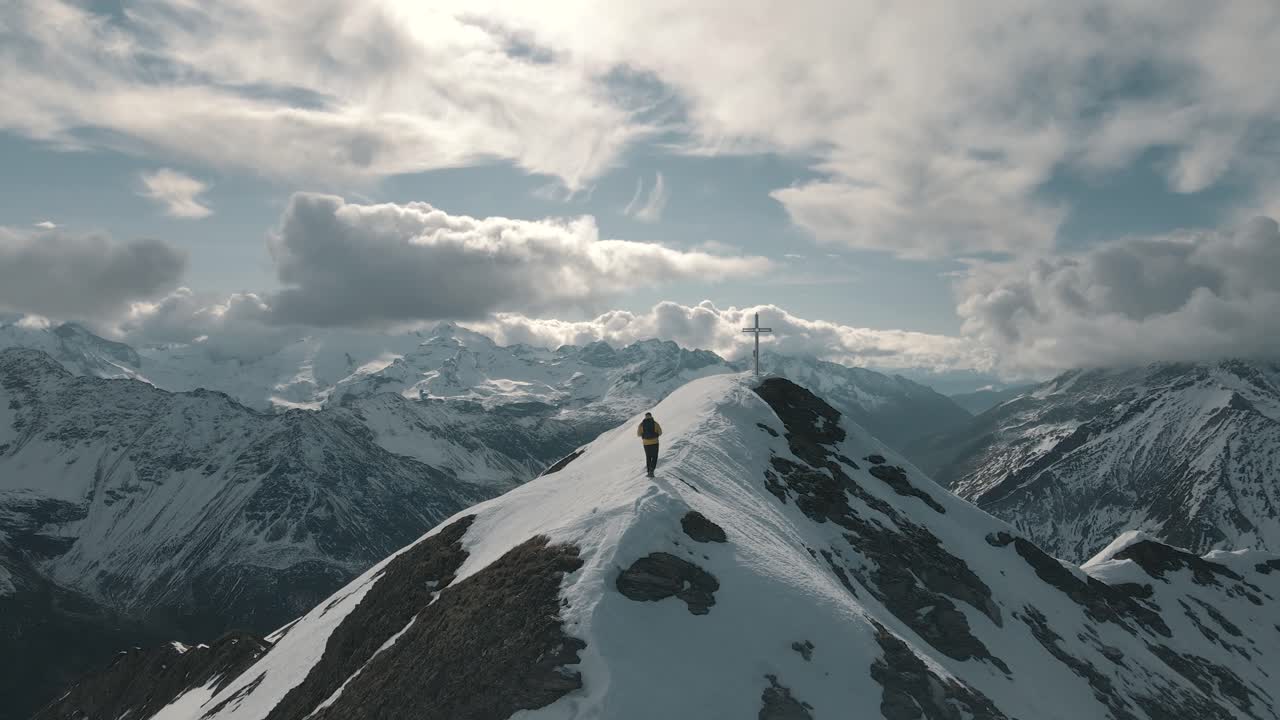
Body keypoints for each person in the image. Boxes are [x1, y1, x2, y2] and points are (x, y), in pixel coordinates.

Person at [637, 411, 662, 477]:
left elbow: (638, 434)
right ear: (651, 416)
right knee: (654, 456)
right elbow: (660, 432)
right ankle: (652, 470)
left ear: (645, 416)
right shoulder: (655, 423)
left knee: (648, 457)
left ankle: (648, 472)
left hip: (646, 443)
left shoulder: (641, 424)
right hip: (655, 442)